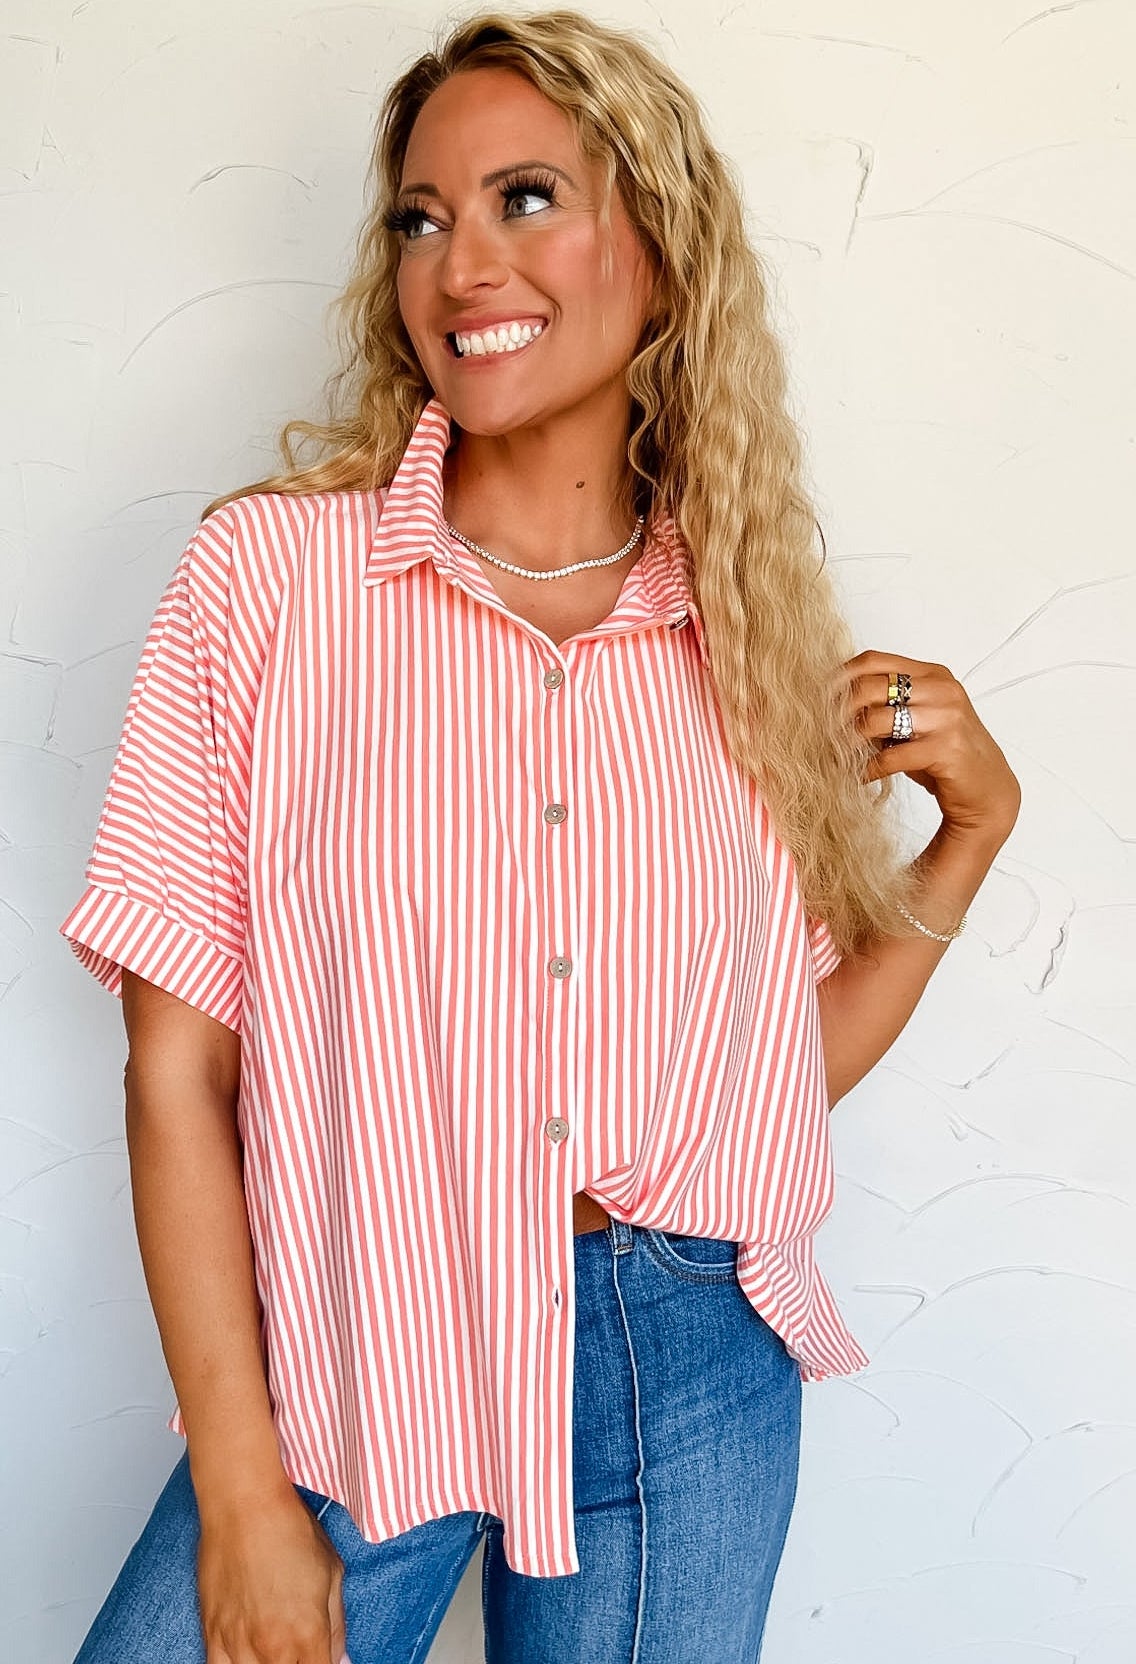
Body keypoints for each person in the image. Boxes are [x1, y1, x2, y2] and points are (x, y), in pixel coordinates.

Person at [59, 10, 1021, 1663]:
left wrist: (969, 841)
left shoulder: (749, 634)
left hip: (688, 1357)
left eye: (524, 199)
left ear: (658, 244)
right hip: (378, 1333)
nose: (461, 265)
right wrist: (238, 1488)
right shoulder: (268, 590)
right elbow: (177, 1073)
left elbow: (759, 1075)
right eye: (423, 219)